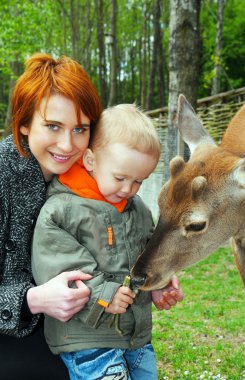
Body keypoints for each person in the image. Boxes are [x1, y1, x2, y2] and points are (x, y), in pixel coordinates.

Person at [31, 104, 183, 380]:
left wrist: (159, 284)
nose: (129, 189)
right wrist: (102, 295)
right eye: (120, 177)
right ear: (90, 160)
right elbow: (58, 266)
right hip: (87, 341)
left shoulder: (138, 210)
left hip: (135, 339)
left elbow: (147, 257)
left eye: (139, 180)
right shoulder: (62, 211)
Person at [0, 52, 103, 380]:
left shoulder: (90, 176)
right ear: (25, 123)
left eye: (80, 129)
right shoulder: (3, 174)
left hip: (74, 325)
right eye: (53, 126)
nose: (67, 144)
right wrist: (32, 299)